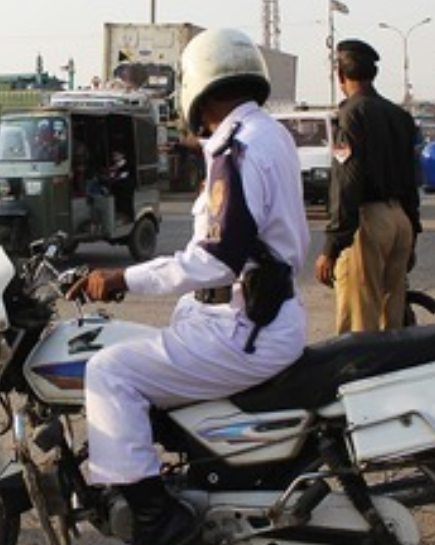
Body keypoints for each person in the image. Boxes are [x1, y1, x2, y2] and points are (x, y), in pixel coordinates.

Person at [68, 28, 309, 545]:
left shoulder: (236, 148)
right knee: (132, 353)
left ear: (198, 87)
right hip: (250, 317)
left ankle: (156, 519)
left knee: (109, 371)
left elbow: (216, 259)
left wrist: (121, 277)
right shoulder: (268, 133)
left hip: (243, 327)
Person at [314, 39, 422, 334]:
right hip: (400, 220)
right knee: (393, 321)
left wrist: (332, 245)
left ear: (340, 76)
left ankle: (361, 378)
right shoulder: (400, 117)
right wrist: (412, 233)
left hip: (368, 223)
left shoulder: (350, 115)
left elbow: (348, 182)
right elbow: (413, 179)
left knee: (358, 324)